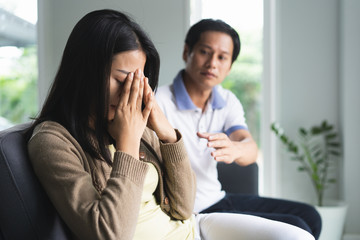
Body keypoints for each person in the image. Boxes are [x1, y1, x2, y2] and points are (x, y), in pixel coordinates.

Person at [27, 9, 315, 240]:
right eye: (120, 78)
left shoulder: (143, 119)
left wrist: (166, 134)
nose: (132, 92)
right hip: (194, 220)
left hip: (193, 228)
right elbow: (110, 233)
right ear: (85, 71)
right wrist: (127, 143)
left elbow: (183, 207)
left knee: (298, 231)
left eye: (137, 81)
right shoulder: (53, 140)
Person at [156, 18, 322, 239]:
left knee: (310, 216)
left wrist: (236, 149)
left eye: (222, 57)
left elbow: (250, 150)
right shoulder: (160, 101)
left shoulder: (227, 100)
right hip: (190, 209)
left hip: (217, 198)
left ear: (230, 66)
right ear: (187, 52)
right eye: (205, 52)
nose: (212, 63)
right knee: (296, 225)